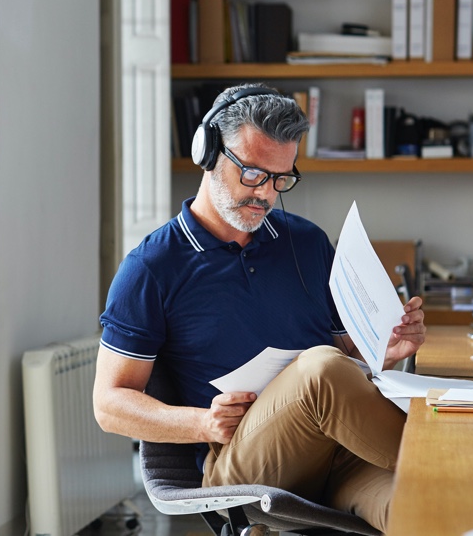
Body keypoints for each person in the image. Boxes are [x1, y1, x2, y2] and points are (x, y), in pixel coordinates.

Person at [93, 83, 426, 533]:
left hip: (339, 455)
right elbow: (109, 404)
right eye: (252, 173)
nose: (266, 194)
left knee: (426, 507)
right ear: (208, 151)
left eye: (280, 178)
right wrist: (203, 423)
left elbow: (350, 353)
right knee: (321, 369)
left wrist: (386, 346)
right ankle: (450, 455)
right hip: (245, 465)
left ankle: (459, 474)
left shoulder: (306, 243)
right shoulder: (152, 268)